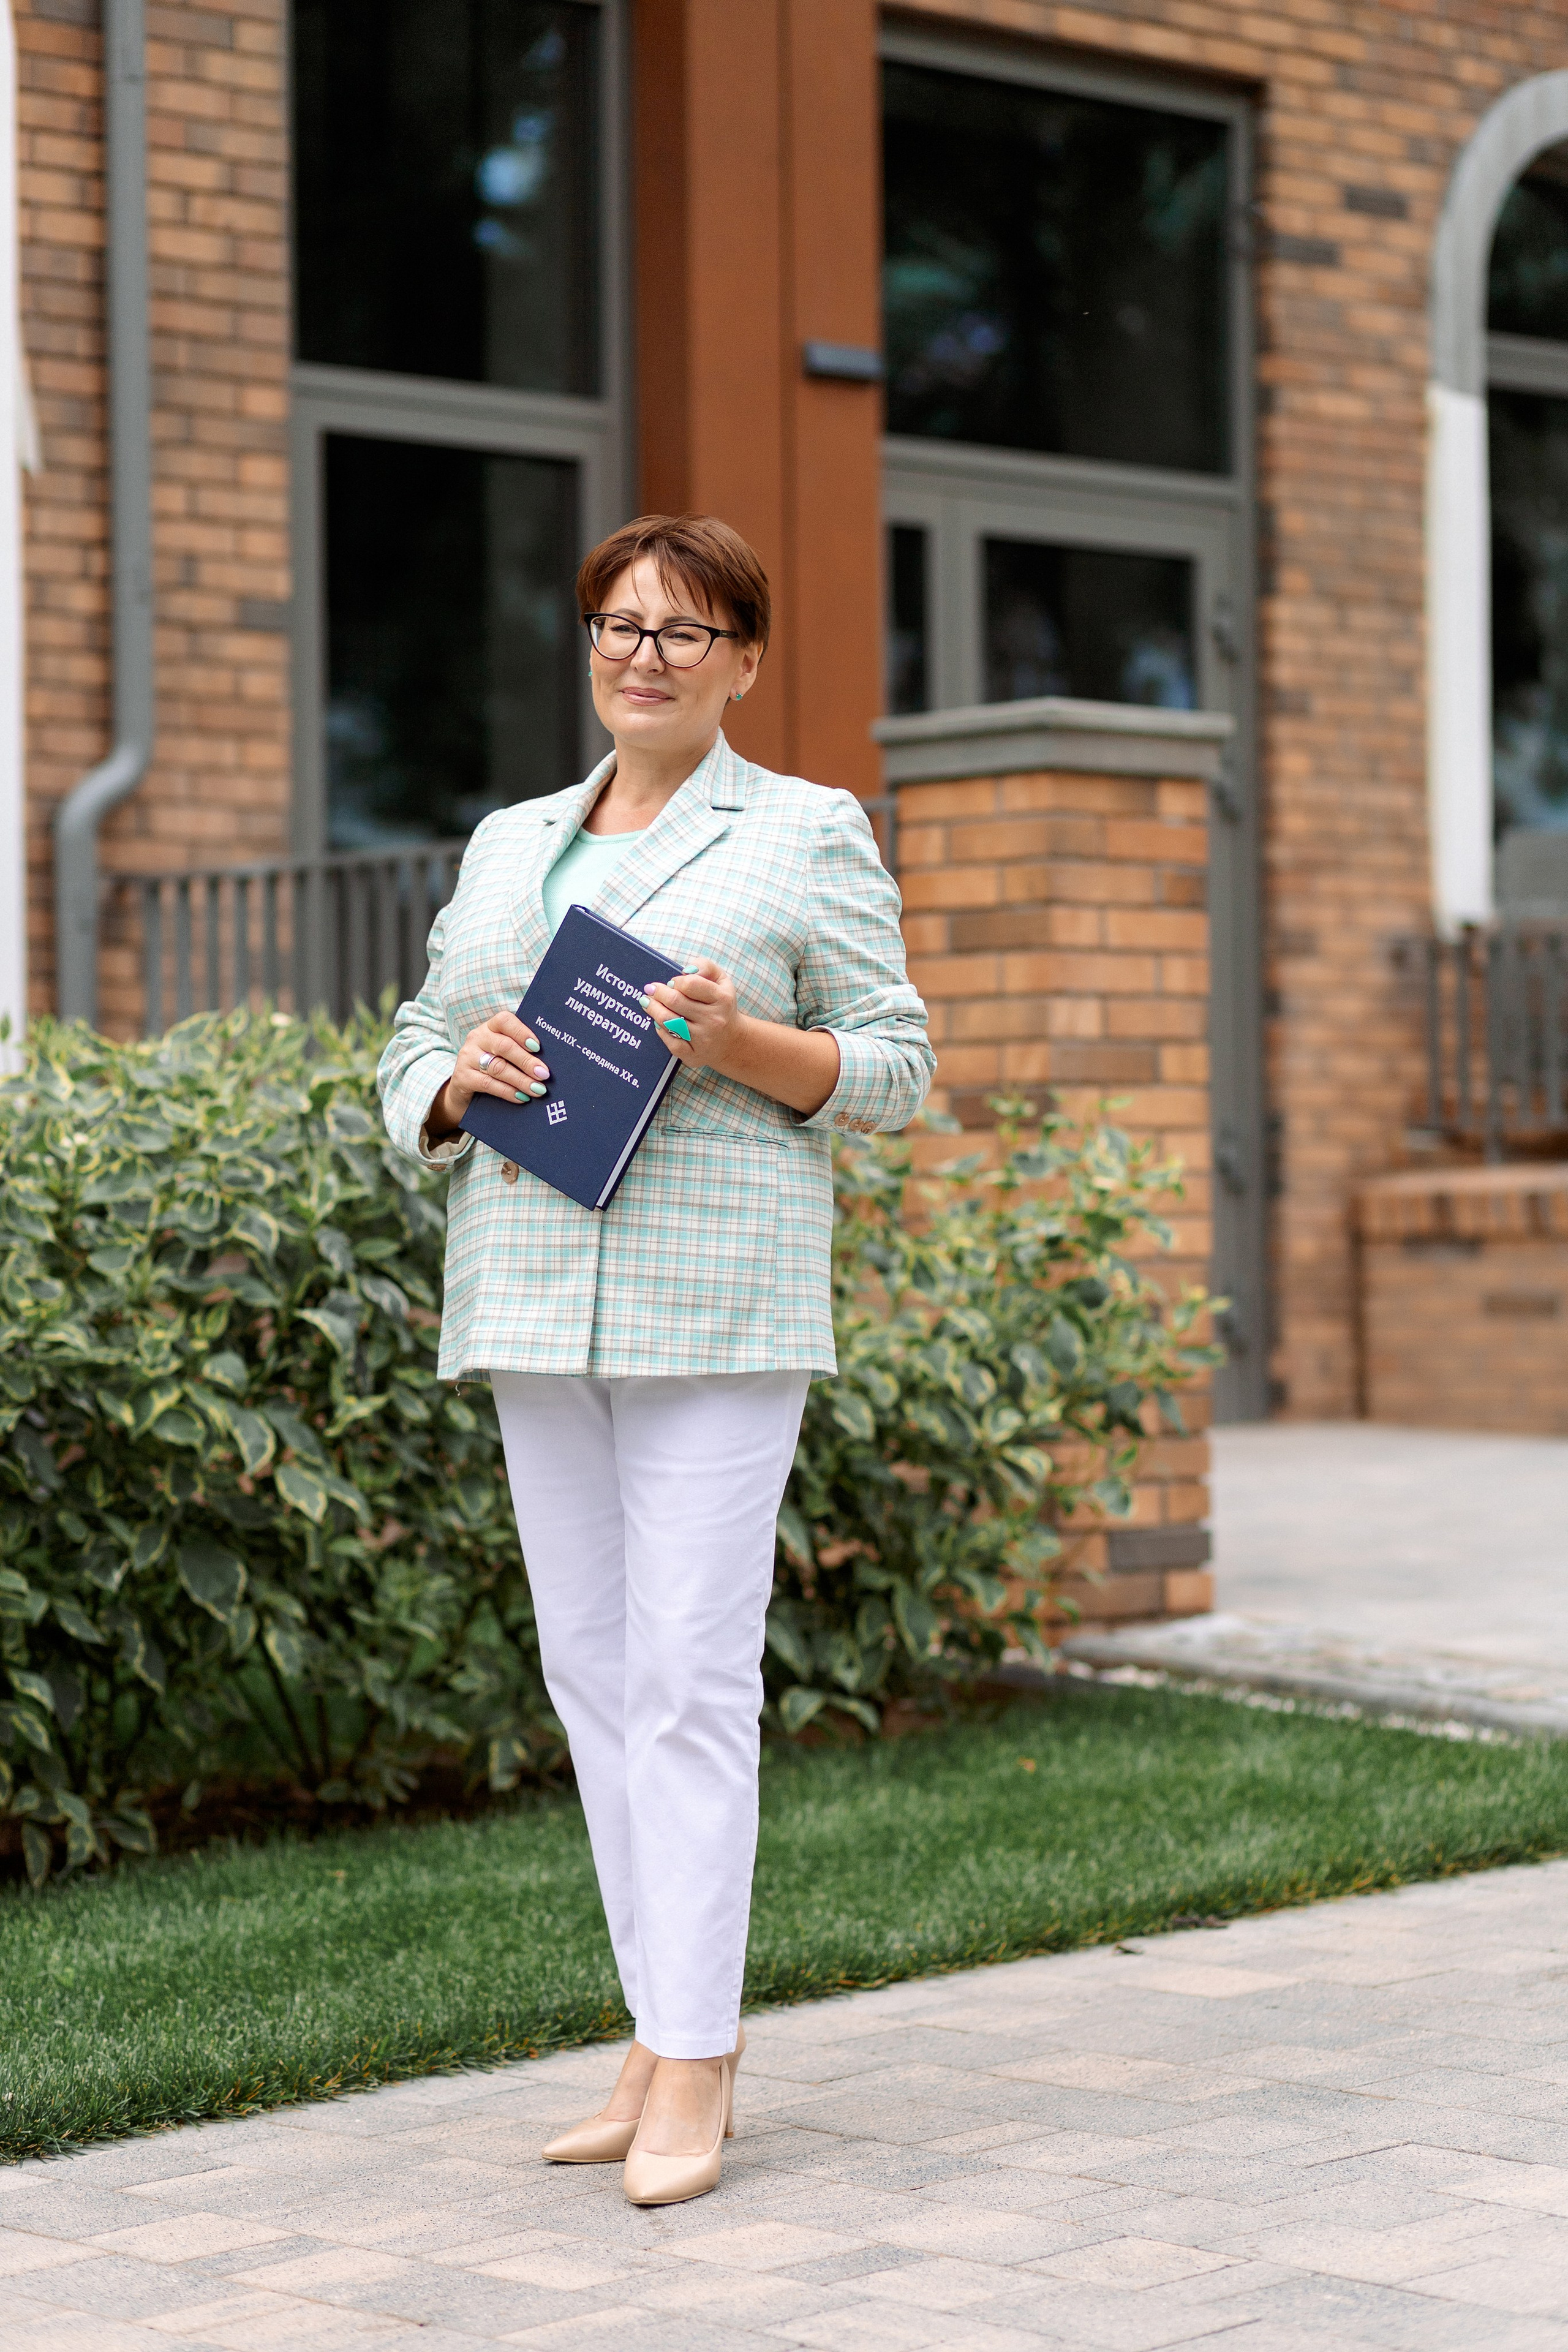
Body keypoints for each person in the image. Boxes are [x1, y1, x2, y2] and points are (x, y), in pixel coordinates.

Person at [378, 513, 933, 2206]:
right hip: (534, 1297)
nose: (644, 653)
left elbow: (899, 1066)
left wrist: (743, 1041)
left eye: (685, 632)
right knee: (597, 1683)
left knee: (691, 1685)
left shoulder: (805, 830)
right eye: (620, 625)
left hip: (715, 1308)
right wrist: (459, 1078)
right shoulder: (507, 841)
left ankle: (698, 2056)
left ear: (745, 661)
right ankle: (657, 2024)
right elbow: (410, 1044)